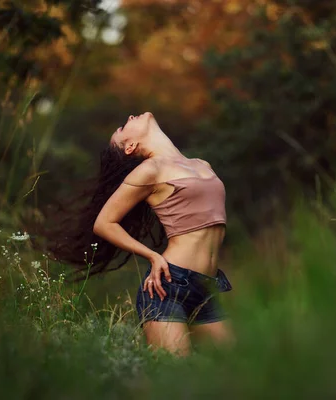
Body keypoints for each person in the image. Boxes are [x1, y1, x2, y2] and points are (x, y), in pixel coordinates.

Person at [41, 112, 233, 356]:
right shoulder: (150, 170)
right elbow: (104, 222)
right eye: (122, 127)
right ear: (130, 147)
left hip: (207, 287)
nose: (130, 116)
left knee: (236, 370)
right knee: (174, 379)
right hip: (168, 288)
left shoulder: (201, 164)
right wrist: (152, 255)